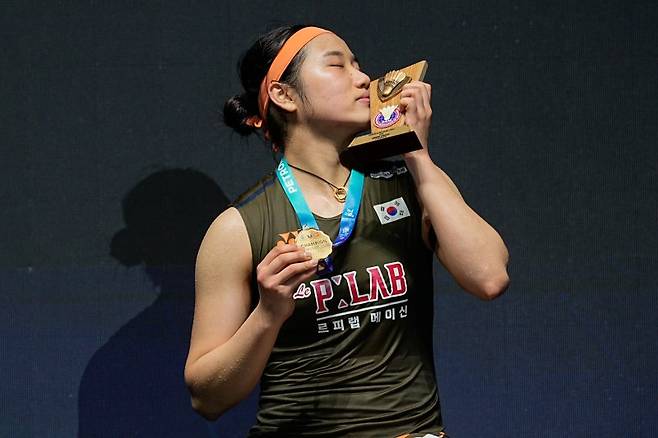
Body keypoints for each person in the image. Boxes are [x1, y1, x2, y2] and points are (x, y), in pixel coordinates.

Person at [184, 25, 509, 437]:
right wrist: (267, 314)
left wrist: (416, 153)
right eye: (337, 66)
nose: (363, 78)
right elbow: (207, 398)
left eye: (358, 65)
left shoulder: (410, 184)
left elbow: (489, 277)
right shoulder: (237, 228)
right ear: (284, 95)